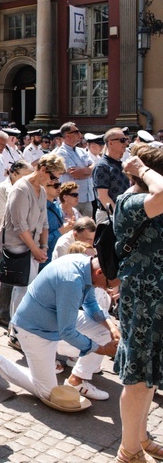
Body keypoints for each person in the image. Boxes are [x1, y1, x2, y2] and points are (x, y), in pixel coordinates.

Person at [0, 255, 120, 405]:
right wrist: (101, 349)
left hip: (54, 322)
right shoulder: (71, 279)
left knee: (104, 330)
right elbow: (67, 332)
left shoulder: (86, 265)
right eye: (109, 285)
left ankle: (77, 380)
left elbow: (90, 303)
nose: (106, 289)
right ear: (99, 273)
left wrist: (111, 326)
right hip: (34, 330)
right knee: (46, 392)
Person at [113, 147, 163, 462]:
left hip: (156, 297)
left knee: (149, 374)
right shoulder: (130, 202)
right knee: (138, 375)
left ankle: (140, 437)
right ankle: (128, 450)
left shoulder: (149, 200)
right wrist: (141, 168)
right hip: (143, 298)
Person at [0, 153, 65, 328]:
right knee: (21, 288)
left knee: (27, 287)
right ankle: (16, 329)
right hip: (16, 244)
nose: (53, 181)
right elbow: (19, 225)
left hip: (31, 244)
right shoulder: (21, 188)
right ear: (42, 169)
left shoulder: (40, 190)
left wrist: (44, 246)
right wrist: (36, 249)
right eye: (53, 176)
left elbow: (44, 222)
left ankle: (20, 325)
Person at [54, 122, 94, 218]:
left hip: (87, 197)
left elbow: (94, 166)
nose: (80, 134)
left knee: (88, 229)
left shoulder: (81, 151)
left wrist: (84, 170)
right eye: (76, 132)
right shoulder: (61, 152)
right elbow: (75, 174)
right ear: (68, 135)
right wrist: (88, 170)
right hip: (71, 199)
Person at [93, 127, 131, 223]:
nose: (126, 143)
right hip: (108, 216)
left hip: (121, 214)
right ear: (111, 143)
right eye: (122, 140)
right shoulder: (102, 166)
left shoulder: (121, 164)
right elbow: (103, 196)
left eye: (126, 140)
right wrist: (118, 216)